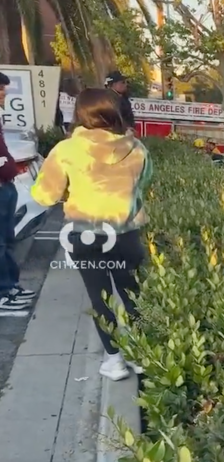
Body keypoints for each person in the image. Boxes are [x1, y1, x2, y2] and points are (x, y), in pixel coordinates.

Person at [31, 88, 152, 381]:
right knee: (134, 295)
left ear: (81, 115)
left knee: (100, 298)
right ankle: (141, 356)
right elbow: (143, 184)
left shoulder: (67, 150)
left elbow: (45, 195)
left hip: (86, 235)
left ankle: (114, 361)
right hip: (126, 234)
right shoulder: (137, 148)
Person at [0, 72, 36, 311]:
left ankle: (11, 285)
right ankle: (3, 292)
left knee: (8, 240)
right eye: (2, 90)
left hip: (6, 187)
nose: (5, 94)